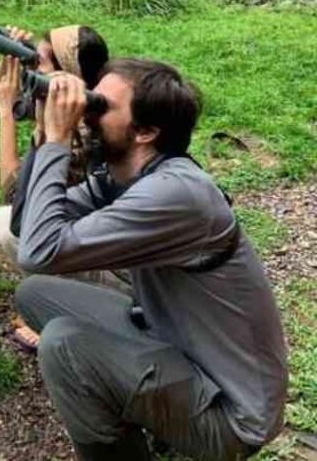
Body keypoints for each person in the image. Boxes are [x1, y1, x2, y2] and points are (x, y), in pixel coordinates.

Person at [14, 59, 287, 460]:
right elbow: (26, 224)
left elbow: (39, 250)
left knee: (63, 346)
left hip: (232, 415)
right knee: (35, 294)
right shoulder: (125, 177)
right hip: (175, 343)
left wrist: (59, 141)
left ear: (144, 132)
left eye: (99, 106)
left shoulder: (176, 194)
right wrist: (42, 137)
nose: (87, 113)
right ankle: (137, 405)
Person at [0, 24, 113, 352]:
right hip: (87, 227)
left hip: (87, 249)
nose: (32, 70)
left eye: (39, 64)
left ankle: (62, 302)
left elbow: (14, 198)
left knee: (15, 233)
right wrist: (11, 58)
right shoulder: (84, 100)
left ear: (65, 74)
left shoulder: (76, 135)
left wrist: (6, 117)